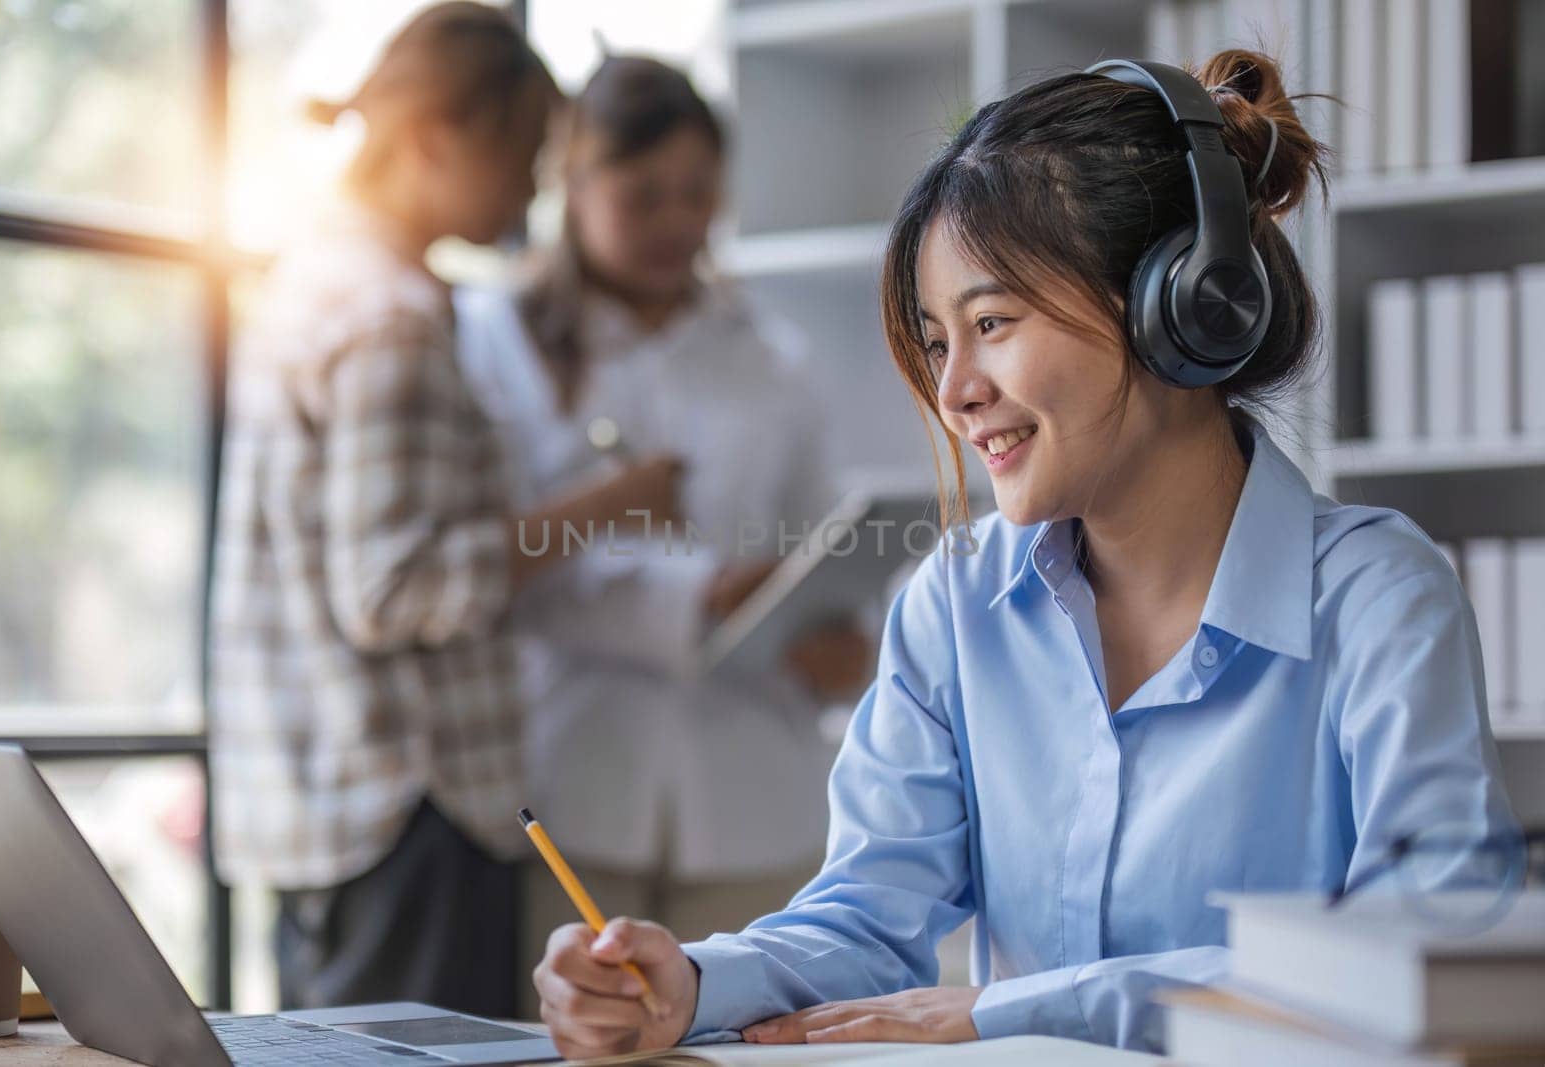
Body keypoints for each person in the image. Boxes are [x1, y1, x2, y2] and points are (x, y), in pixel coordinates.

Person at [529, 48, 1521, 1054]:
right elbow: (868, 920)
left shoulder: (1375, 598)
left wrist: (1015, 1007)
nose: (953, 390)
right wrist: (688, 982)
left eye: (991, 322)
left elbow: (1415, 958)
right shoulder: (952, 601)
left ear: (1183, 309)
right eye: (935, 341)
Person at [209, 4, 681, 1018]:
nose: (533, 186)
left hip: (319, 802)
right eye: (520, 153)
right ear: (435, 139)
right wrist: (602, 506)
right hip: (407, 809)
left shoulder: (308, 284)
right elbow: (395, 589)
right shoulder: (392, 315)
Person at [455, 54, 871, 1011]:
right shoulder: (496, 338)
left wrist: (842, 635)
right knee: (581, 1032)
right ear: (573, 181)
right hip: (574, 788)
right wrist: (701, 596)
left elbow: (826, 542)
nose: (675, 222)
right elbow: (497, 564)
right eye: (642, 195)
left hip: (758, 791)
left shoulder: (772, 352)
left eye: (696, 194)